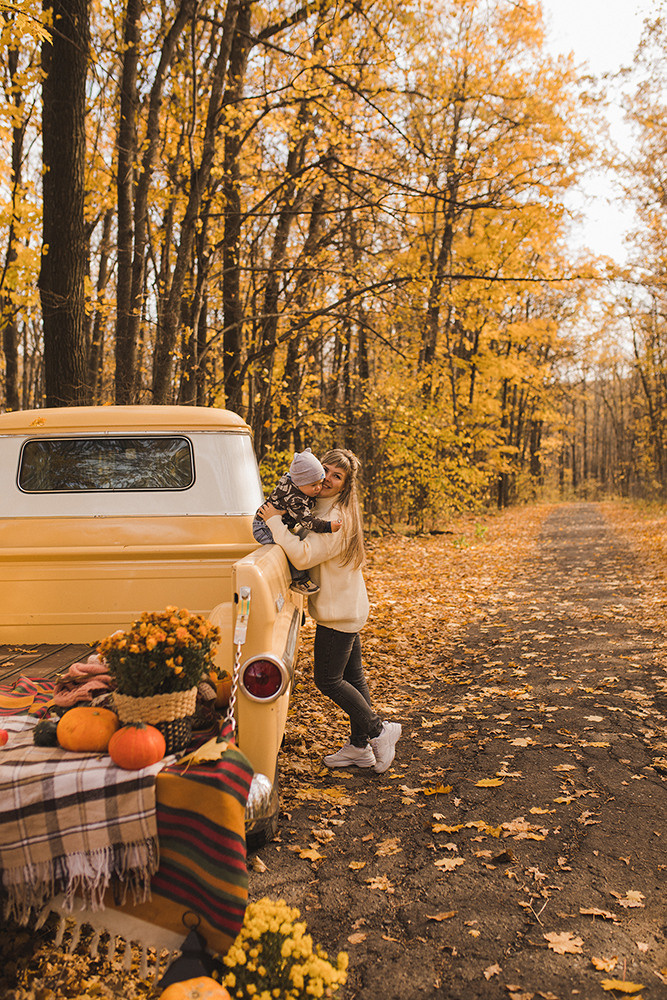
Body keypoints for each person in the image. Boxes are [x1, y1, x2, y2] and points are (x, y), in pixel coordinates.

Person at [256, 448, 401, 773]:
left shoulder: (339, 516)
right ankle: (359, 748)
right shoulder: (317, 503)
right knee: (353, 677)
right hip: (345, 607)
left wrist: (274, 522)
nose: (328, 478)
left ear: (345, 485)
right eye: (326, 469)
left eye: (337, 476)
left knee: (328, 679)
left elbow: (304, 556)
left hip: (340, 613)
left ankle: (379, 731)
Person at [253, 448, 341, 596]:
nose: (319, 488)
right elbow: (307, 522)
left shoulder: (298, 484)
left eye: (320, 482)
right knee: (284, 551)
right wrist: (327, 526)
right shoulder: (296, 499)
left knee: (287, 545)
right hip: (263, 526)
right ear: (300, 483)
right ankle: (299, 579)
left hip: (276, 522)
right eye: (314, 485)